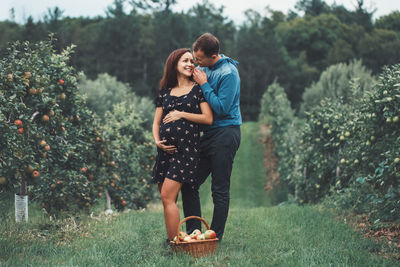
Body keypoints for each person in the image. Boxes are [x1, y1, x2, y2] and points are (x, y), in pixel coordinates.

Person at [181, 33, 242, 241]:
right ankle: (194, 233)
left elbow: (222, 108)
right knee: (189, 182)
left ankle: (214, 238)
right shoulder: (205, 69)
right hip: (208, 133)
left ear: (213, 55)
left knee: (219, 189)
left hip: (226, 132)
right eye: (194, 58)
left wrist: (204, 84)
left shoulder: (229, 73)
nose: (196, 63)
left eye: (199, 59)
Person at [151, 48, 213, 243]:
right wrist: (157, 141)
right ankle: (174, 241)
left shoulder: (198, 90)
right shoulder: (165, 92)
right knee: (167, 199)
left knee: (167, 196)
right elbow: (156, 122)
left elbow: (208, 118)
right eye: (185, 61)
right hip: (165, 152)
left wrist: (181, 114)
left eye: (191, 61)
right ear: (174, 64)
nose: (190, 64)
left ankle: (175, 242)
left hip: (185, 153)